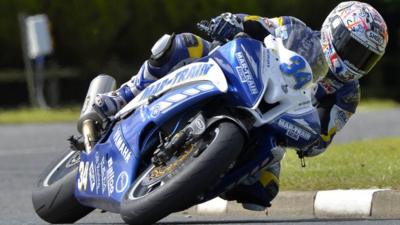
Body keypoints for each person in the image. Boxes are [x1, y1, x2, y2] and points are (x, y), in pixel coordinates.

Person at [94, 1, 388, 211]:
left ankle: (186, 179)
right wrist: (231, 21)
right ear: (333, 29)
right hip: (239, 76)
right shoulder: (295, 30)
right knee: (183, 45)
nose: (355, 60)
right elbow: (257, 25)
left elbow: (322, 137)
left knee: (261, 192)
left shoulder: (346, 95)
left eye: (365, 57)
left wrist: (313, 139)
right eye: (352, 46)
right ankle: (121, 96)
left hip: (273, 125)